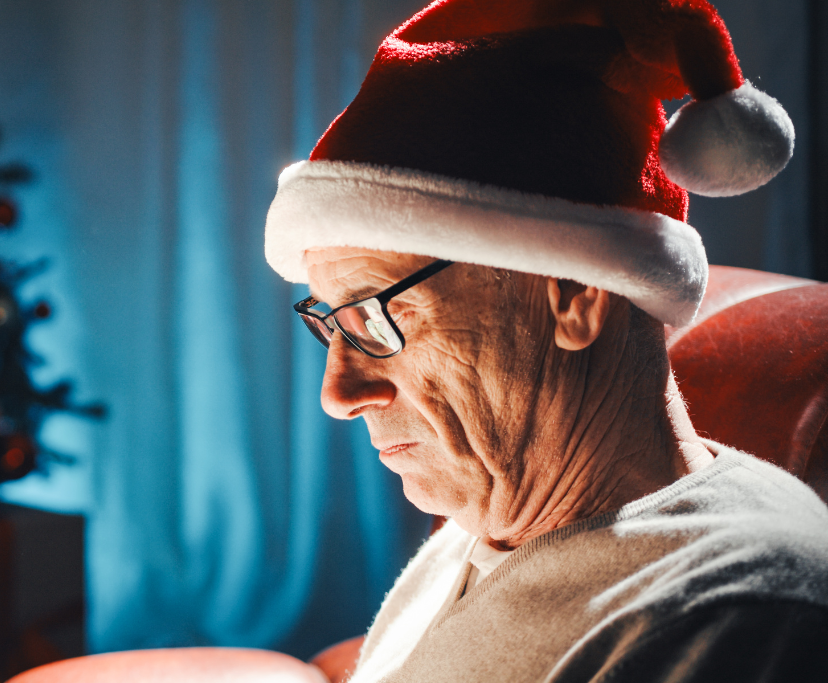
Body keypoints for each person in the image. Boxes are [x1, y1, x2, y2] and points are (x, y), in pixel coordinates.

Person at [262, 0, 828, 680]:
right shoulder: (484, 522)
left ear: (573, 294)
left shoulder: (738, 609)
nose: (338, 392)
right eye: (335, 323)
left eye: (380, 315)